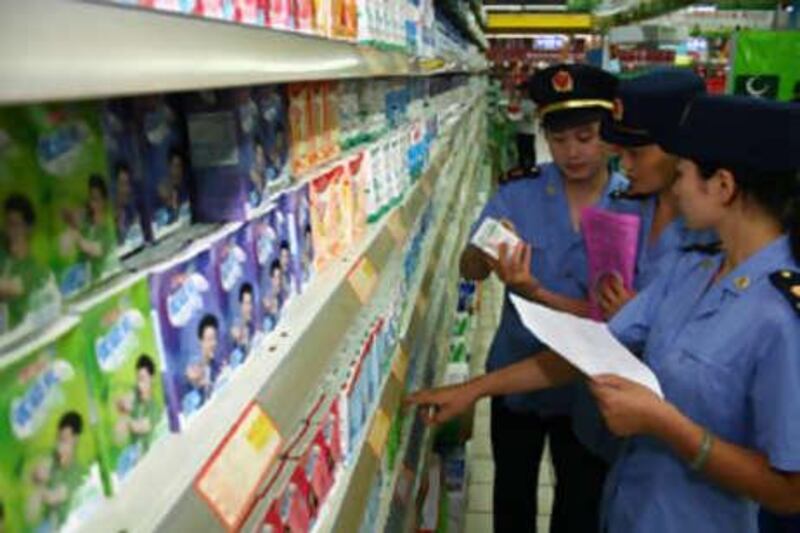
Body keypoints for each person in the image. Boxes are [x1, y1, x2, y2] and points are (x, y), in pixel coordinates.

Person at [408, 94, 800, 533]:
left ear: (723, 186)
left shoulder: (781, 315)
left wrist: (665, 424)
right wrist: (476, 389)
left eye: (684, 174)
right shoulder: (693, 268)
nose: (675, 187)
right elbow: (592, 348)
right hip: (629, 507)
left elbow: (790, 489)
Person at [458, 64, 638, 533]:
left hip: (589, 385)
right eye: (559, 140)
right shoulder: (518, 192)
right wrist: (484, 253)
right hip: (515, 377)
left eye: (585, 136)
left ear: (608, 135)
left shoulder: (632, 204)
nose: (572, 152)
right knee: (512, 497)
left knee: (579, 504)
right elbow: (468, 270)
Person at [597, 68, 718, 317]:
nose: (626, 166)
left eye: (637, 154)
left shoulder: (716, 232)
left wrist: (638, 316)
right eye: (621, 154)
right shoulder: (622, 206)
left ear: (679, 146)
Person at [0, 194, 52, 333]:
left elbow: (12, 288)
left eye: (16, 225)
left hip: (16, 339)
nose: (11, 231)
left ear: (28, 228)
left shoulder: (35, 269)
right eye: (7, 224)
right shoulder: (4, 253)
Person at [43, 412, 84, 527]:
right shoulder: (52, 461)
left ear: (75, 440)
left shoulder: (76, 471)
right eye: (58, 440)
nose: (60, 446)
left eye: (64, 440)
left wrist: (42, 493)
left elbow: (55, 497)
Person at [185, 314, 221, 406]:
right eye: (209, 339)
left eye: (214, 338)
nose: (213, 343)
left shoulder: (216, 366)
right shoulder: (192, 370)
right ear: (200, 341)